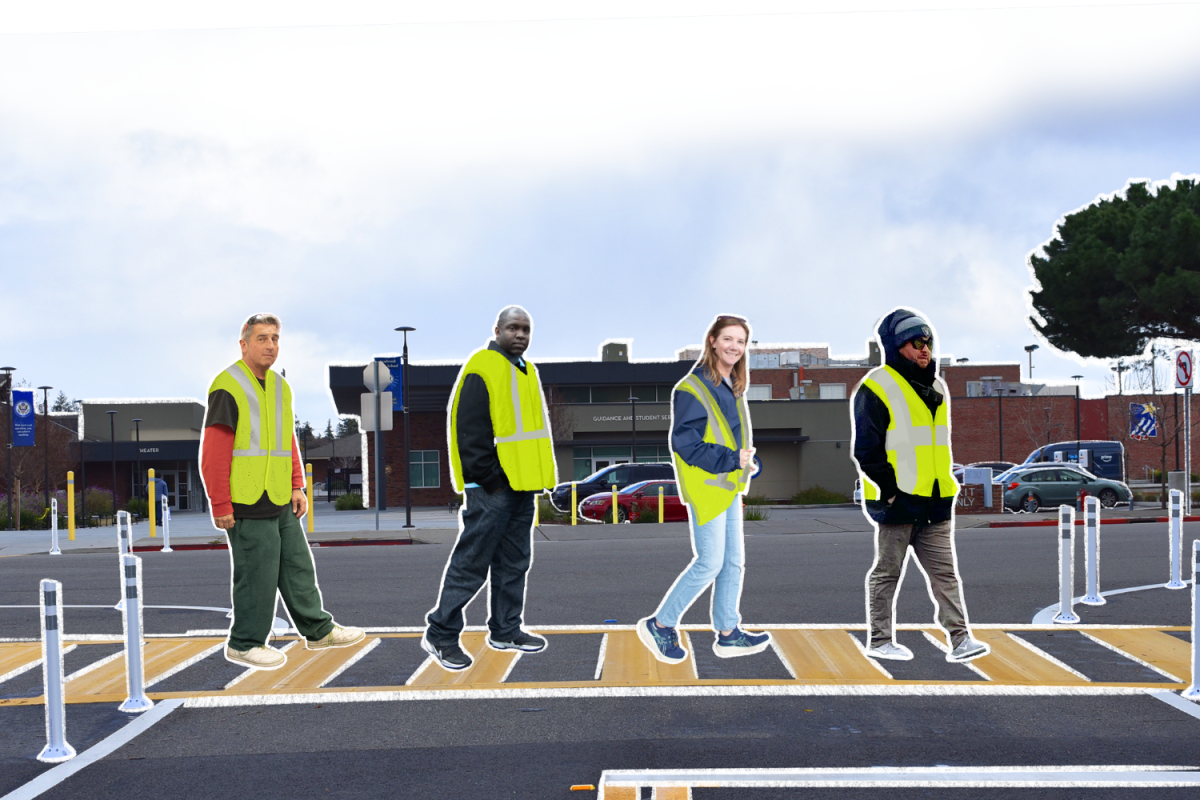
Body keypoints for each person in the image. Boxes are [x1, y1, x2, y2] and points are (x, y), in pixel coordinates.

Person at [200, 313, 364, 670]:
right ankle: (244, 643)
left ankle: (318, 630)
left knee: (297, 566)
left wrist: (296, 485)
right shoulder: (227, 386)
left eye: (275, 338)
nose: (270, 345)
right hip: (245, 500)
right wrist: (220, 502)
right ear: (243, 344)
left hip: (278, 496)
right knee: (256, 575)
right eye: (262, 338)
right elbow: (213, 451)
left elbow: (286, 440)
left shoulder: (279, 386)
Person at [422, 306, 558, 671]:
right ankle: (441, 634)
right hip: (491, 488)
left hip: (521, 487)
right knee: (472, 563)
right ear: (497, 329)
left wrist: (532, 480)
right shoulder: (482, 366)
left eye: (526, 329)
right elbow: (469, 430)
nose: (520, 335)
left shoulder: (527, 372)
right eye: (513, 328)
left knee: (515, 562)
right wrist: (492, 480)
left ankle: (506, 630)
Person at [850, 308, 989, 663]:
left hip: (937, 500)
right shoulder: (876, 387)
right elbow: (866, 449)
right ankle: (880, 640)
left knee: (946, 576)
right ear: (898, 348)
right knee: (887, 574)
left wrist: (947, 484)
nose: (924, 349)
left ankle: (960, 640)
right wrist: (891, 489)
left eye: (928, 342)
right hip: (899, 502)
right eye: (916, 343)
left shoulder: (938, 387)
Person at [637, 314, 771, 664]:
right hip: (709, 487)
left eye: (741, 341)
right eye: (728, 339)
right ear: (712, 340)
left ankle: (728, 632)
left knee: (733, 564)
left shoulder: (730, 386)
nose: (734, 347)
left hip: (727, 486)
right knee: (710, 563)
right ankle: (661, 624)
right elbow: (684, 443)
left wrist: (745, 462)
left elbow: (726, 438)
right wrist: (731, 458)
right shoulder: (693, 387)